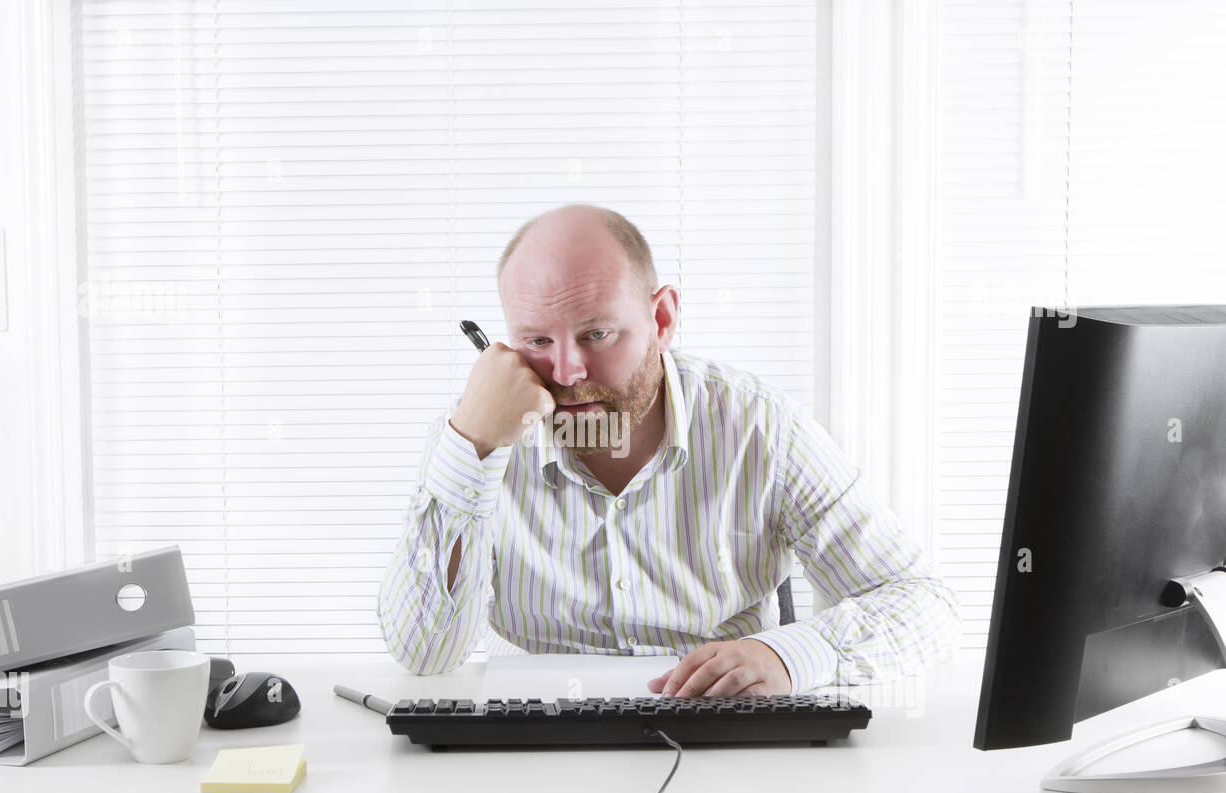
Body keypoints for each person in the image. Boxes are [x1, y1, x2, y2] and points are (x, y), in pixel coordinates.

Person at [378, 204, 960, 696]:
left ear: (661, 318)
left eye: (596, 334)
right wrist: (470, 449)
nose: (566, 370)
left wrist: (793, 655)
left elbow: (922, 604)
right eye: (536, 340)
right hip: (536, 737)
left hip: (722, 733)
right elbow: (425, 656)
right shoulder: (476, 439)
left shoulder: (762, 428)